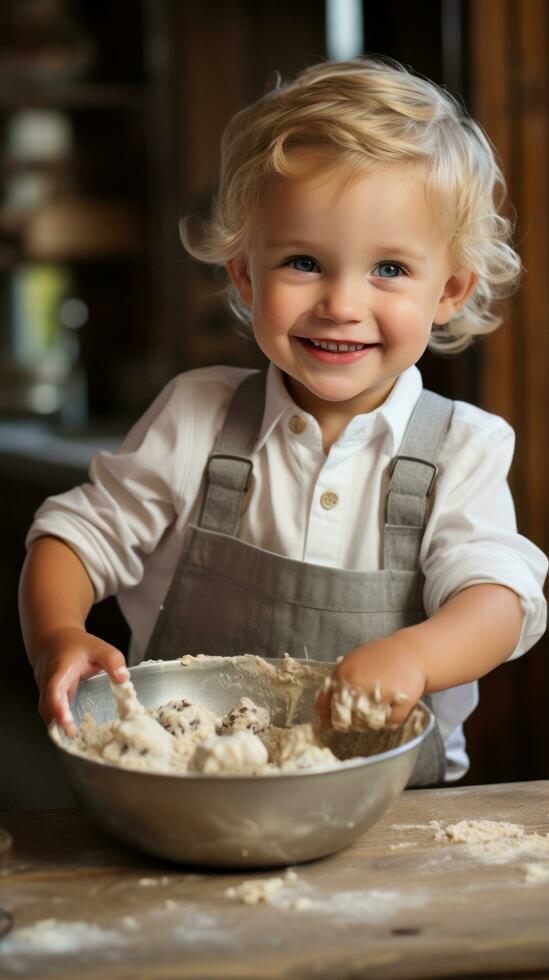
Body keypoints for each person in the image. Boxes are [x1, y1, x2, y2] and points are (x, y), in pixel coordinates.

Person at [19, 58, 547, 786]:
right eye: (303, 261)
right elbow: (72, 540)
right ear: (244, 274)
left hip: (394, 811)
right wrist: (58, 636)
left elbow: (498, 600)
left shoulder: (461, 447)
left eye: (389, 269)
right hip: (191, 791)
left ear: (450, 289)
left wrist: (416, 657)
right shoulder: (195, 416)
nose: (340, 303)